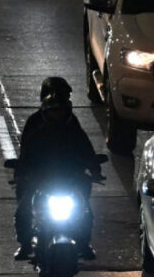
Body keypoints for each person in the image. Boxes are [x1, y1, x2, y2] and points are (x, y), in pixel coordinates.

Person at [13, 77, 101, 261]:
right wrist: (22, 173)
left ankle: (84, 243)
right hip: (41, 177)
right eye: (54, 111)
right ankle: (25, 244)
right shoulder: (35, 123)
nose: (57, 114)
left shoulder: (72, 123)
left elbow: (85, 146)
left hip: (69, 177)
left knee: (85, 210)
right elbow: (26, 151)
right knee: (23, 209)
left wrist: (94, 167)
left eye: (61, 110)